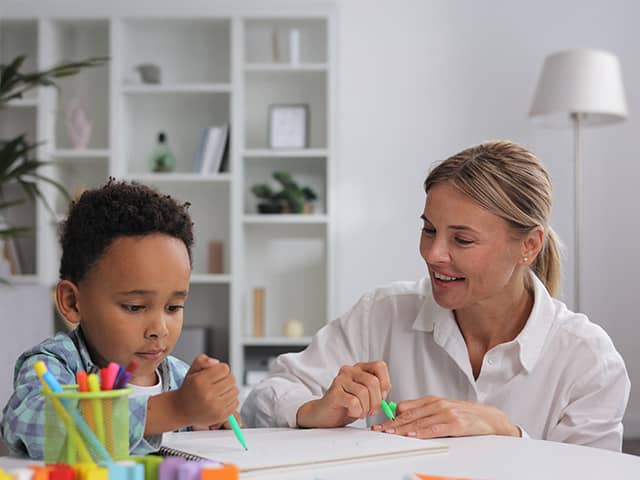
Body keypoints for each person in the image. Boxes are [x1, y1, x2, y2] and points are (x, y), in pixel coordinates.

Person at [241, 140, 630, 451]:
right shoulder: (382, 313)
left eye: (462, 239)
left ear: (528, 245)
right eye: (429, 230)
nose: (432, 254)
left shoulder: (588, 360)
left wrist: (507, 434)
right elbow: (265, 398)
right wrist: (316, 409)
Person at [0, 179, 240, 458]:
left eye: (173, 307)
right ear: (72, 302)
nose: (159, 329)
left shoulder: (179, 377)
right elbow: (31, 425)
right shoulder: (55, 364)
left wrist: (208, 420)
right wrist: (174, 409)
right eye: (135, 307)